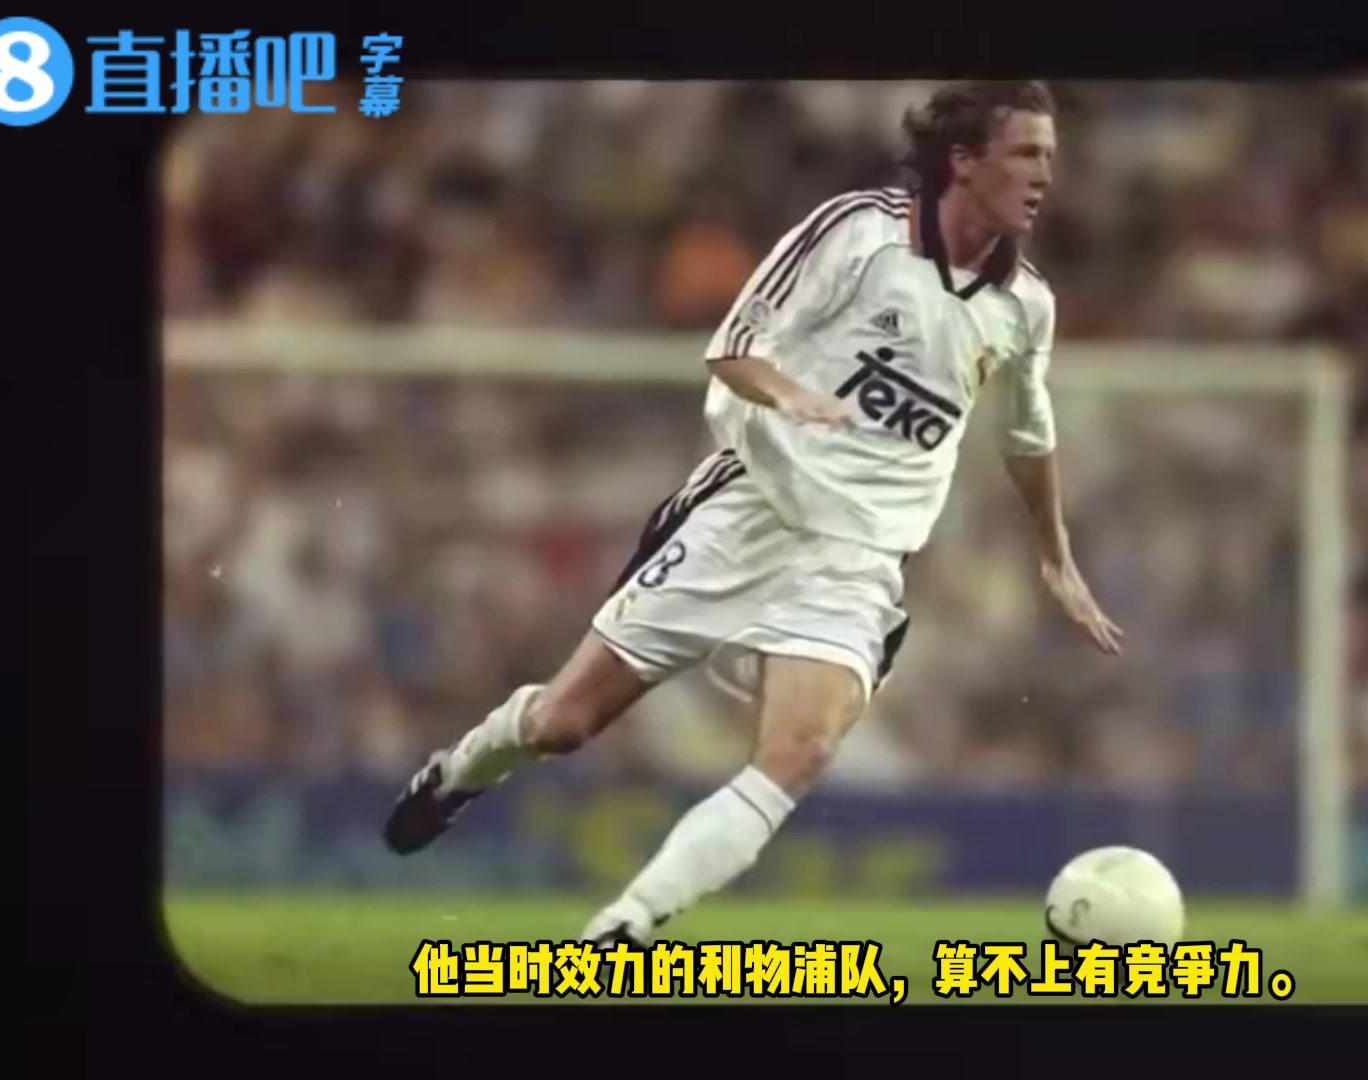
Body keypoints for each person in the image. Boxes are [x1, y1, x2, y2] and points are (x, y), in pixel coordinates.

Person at [382, 80, 1124, 948]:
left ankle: (625, 927)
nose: (1044, 175)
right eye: (1026, 153)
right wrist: (791, 395)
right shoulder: (858, 233)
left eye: (1050, 157)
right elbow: (733, 349)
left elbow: (1027, 433)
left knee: (796, 754)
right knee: (563, 724)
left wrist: (1055, 556)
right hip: (748, 513)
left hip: (856, 561)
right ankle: (460, 772)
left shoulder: (1024, 304)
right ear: (963, 160)